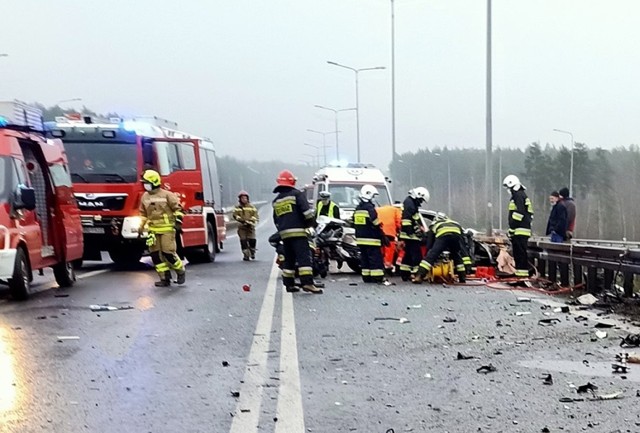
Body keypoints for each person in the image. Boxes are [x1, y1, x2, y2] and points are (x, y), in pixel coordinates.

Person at [272, 169, 322, 294]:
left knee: (289, 258)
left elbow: (276, 219)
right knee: (304, 258)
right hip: (298, 233)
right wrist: (312, 224)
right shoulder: (297, 194)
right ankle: (307, 283)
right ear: (292, 182)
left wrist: (282, 230)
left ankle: (289, 284)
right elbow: (307, 213)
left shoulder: (277, 200)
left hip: (284, 234)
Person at [139, 169, 186, 287]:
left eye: (146, 182)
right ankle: (164, 278)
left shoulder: (168, 195)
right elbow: (143, 214)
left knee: (168, 253)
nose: (145, 185)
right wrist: (140, 227)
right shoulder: (145, 197)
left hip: (167, 229)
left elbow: (179, 210)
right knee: (155, 255)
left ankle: (180, 271)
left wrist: (178, 223)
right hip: (153, 231)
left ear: (154, 182)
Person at [413, 213, 469, 284]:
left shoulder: (434, 224)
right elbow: (462, 241)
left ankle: (419, 276)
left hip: (443, 237)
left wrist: (429, 253)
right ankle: (462, 278)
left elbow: (430, 243)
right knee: (456, 255)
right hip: (456, 235)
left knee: (431, 255)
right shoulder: (454, 223)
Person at [353, 184, 387, 283]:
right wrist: (382, 234)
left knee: (365, 259)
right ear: (369, 195)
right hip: (372, 239)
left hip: (360, 240)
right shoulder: (370, 208)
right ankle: (377, 277)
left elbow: (353, 223)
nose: (373, 198)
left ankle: (366, 277)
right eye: (373, 196)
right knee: (375, 259)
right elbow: (375, 223)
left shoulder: (358, 209)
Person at [503, 174, 533, 278]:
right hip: (521, 230)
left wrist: (512, 228)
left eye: (509, 187)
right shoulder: (521, 195)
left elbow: (518, 213)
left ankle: (522, 276)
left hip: (519, 230)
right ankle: (520, 275)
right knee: (519, 253)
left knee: (520, 254)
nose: (508, 190)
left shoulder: (518, 196)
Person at [398, 187, 430, 281]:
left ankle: (405, 273)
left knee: (408, 255)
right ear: (418, 195)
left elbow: (415, 219)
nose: (421, 203)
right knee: (417, 255)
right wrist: (413, 232)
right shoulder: (410, 204)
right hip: (410, 235)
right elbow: (407, 220)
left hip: (408, 234)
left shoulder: (410, 203)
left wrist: (420, 227)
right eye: (421, 200)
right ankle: (418, 274)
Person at [377, 202, 402, 274]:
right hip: (389, 233)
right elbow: (399, 222)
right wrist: (399, 231)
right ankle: (387, 267)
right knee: (389, 251)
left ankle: (380, 266)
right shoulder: (396, 210)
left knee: (380, 251)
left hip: (378, 232)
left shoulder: (378, 209)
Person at [233, 190, 259, 260]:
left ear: (248, 199)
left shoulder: (252, 207)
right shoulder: (237, 207)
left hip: (250, 226)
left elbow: (255, 215)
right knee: (243, 241)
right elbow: (235, 215)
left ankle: (252, 252)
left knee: (252, 240)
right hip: (242, 227)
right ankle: (246, 255)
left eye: (245, 198)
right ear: (240, 199)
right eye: (242, 198)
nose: (244, 199)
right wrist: (241, 220)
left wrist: (251, 220)